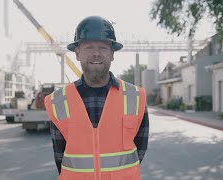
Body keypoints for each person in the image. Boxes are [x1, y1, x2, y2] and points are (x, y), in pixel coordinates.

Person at [44, 16, 149, 180]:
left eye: (103, 47)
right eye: (89, 47)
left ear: (112, 54)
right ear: (77, 53)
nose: (96, 54)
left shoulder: (134, 97)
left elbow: (139, 150)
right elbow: (60, 155)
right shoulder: (59, 101)